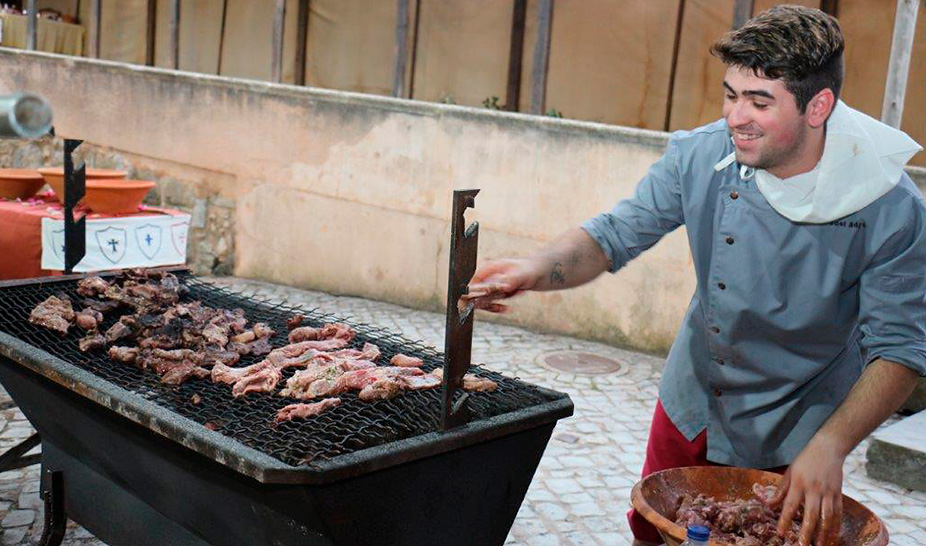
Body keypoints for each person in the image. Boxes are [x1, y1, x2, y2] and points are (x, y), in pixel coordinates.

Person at [466, 6, 926, 546]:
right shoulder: (702, 154)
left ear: (818, 106)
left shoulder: (890, 205)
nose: (735, 117)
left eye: (760, 102)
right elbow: (614, 234)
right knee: (660, 534)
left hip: (805, 424)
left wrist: (831, 445)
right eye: (731, 95)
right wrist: (536, 268)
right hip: (696, 402)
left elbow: (899, 350)